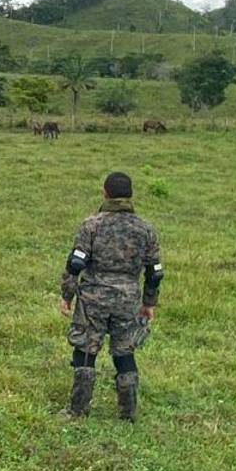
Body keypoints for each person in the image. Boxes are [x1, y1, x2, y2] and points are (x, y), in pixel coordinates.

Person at [58, 171, 162, 421]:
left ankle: (77, 410)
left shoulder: (91, 225)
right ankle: (127, 413)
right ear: (130, 195)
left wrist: (67, 296)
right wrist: (149, 302)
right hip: (128, 299)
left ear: (105, 193)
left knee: (85, 349)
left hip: (93, 298)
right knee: (124, 352)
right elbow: (155, 271)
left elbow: (75, 263)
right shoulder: (146, 230)